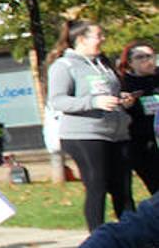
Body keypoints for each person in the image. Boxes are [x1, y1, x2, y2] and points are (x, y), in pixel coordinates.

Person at [47, 19, 133, 232]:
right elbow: (57, 101)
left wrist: (122, 98)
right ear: (81, 39)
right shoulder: (64, 65)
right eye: (98, 35)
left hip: (116, 133)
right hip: (85, 134)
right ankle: (98, 239)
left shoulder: (103, 64)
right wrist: (93, 102)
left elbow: (108, 93)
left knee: (122, 188)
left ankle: (134, 239)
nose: (103, 39)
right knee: (97, 185)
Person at [117, 41, 159, 196]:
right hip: (142, 143)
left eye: (150, 56)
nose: (147, 60)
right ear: (130, 62)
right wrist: (126, 105)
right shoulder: (124, 84)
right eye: (140, 57)